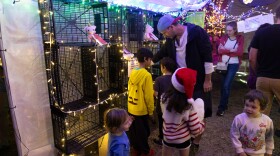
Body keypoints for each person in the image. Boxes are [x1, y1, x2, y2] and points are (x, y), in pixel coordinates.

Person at [154, 14, 213, 152]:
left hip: (198, 81)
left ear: (171, 27)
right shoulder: (171, 40)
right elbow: (161, 53)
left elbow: (208, 57)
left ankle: (195, 143)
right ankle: (184, 138)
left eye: (164, 33)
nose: (165, 36)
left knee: (200, 111)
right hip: (179, 83)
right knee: (182, 109)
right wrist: (146, 61)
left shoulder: (197, 33)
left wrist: (208, 80)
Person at [249, 6, 280, 137]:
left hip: (262, 78)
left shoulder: (262, 32)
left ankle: (257, 141)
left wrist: (258, 72)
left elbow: (252, 57)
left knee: (260, 112)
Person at [161, 67, 205, 156]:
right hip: (183, 139)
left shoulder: (163, 98)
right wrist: (202, 125)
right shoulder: (188, 106)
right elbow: (195, 129)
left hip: (167, 136)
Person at [127, 48, 154, 156]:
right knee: (144, 132)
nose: (151, 62)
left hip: (131, 107)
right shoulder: (147, 75)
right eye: (150, 59)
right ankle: (145, 151)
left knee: (134, 132)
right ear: (145, 59)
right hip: (141, 109)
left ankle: (136, 150)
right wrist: (151, 111)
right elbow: (148, 96)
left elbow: (129, 88)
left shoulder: (133, 71)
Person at [230, 90, 274, 156]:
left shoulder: (267, 121)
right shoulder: (239, 119)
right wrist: (239, 150)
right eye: (247, 105)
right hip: (242, 152)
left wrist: (269, 151)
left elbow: (269, 137)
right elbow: (234, 135)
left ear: (262, 108)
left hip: (259, 153)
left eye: (253, 107)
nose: (249, 109)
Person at [216, 21, 244, 116]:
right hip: (223, 63)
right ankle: (225, 104)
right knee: (223, 85)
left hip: (233, 64)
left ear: (235, 30)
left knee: (226, 85)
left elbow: (239, 52)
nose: (228, 32)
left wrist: (225, 50)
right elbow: (219, 50)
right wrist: (231, 50)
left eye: (230, 30)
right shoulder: (224, 38)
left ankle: (222, 107)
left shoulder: (240, 38)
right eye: (227, 30)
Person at [153, 57, 177, 145]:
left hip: (161, 106)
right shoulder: (175, 78)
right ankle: (173, 137)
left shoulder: (158, 79)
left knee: (161, 123)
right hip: (173, 104)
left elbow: (155, 94)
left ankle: (162, 138)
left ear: (164, 68)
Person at [247, 23, 271, 90]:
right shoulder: (261, 45)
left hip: (256, 76)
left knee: (256, 97)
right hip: (260, 75)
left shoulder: (254, 43)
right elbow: (252, 59)